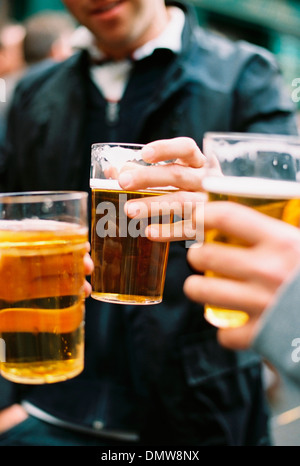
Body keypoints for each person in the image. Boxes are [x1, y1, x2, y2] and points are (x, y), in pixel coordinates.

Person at [0, 0, 298, 446]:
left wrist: (219, 207)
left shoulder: (245, 74)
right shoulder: (35, 92)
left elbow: (283, 234)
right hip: (50, 407)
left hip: (197, 416)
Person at [119, 137, 300, 387]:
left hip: (207, 381)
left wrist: (292, 309)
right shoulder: (54, 99)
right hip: (69, 393)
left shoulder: (250, 98)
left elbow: (280, 168)